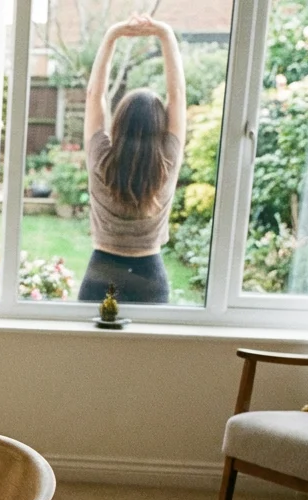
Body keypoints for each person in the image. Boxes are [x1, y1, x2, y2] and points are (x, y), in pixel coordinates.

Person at [77, 14, 186, 304]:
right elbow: (177, 95)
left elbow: (94, 95)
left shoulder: (100, 156)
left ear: (119, 122)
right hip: (150, 275)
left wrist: (113, 34)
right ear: (160, 126)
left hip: (101, 271)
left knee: (88, 352)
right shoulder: (167, 160)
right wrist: (164, 33)